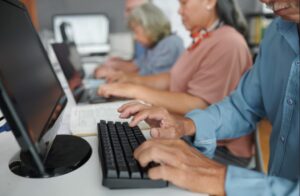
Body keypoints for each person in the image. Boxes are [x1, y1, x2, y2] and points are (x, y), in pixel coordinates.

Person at [116, 0, 300, 194]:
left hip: (232, 155)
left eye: (184, 3)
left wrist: (220, 178)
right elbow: (242, 107)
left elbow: (199, 100)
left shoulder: (228, 41)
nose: (263, 0)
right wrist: (186, 125)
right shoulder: (275, 34)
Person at [99, 0, 253, 161]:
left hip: (218, 148)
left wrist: (135, 91)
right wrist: (131, 83)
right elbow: (172, 78)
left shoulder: (228, 42)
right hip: (189, 131)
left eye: (184, 3)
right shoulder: (204, 38)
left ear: (209, 2)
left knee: (134, 156)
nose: (179, 11)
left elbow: (200, 105)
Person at [94, 3, 184, 80]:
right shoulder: (152, 45)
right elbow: (138, 67)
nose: (135, 38)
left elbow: (152, 80)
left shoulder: (169, 44)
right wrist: (114, 68)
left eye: (136, 32)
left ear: (150, 27)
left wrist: (114, 74)